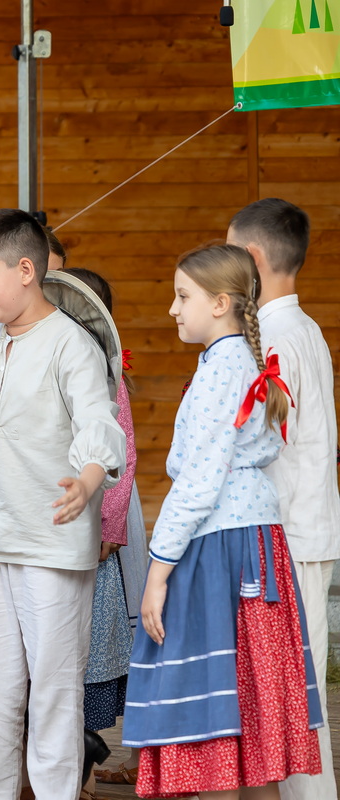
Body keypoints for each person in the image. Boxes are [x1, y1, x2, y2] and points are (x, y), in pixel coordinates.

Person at [0, 209, 126, 798]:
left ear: (26, 270)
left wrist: (87, 481)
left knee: (55, 695)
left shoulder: (72, 344)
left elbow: (99, 427)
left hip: (54, 548)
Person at [122, 243, 323, 799]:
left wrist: (158, 570)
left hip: (222, 550)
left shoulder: (221, 370)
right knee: (250, 723)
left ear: (221, 303)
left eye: (183, 296)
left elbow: (198, 482)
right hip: (253, 541)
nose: (172, 309)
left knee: (211, 720)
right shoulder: (238, 361)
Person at [226, 198, 338, 800]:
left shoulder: (273, 334)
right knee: (295, 687)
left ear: (251, 257)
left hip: (287, 529)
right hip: (303, 523)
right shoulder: (304, 327)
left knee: (295, 694)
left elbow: (263, 437)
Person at [60, 268, 143, 797]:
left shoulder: (108, 379)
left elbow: (122, 455)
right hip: (51, 529)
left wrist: (108, 527)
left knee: (89, 665)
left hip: (94, 544)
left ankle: (83, 772)